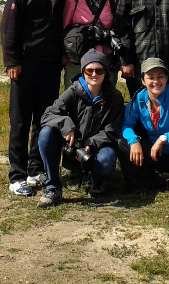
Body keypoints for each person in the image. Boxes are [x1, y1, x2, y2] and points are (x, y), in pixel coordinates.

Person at [0, 0, 69, 197]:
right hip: (25, 64)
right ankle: (17, 176)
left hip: (50, 65)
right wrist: (12, 61)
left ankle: (35, 168)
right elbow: (9, 26)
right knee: (20, 121)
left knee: (43, 120)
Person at [36, 50, 125, 208]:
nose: (94, 74)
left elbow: (112, 130)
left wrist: (90, 144)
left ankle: (97, 181)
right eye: (89, 70)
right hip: (71, 146)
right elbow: (48, 115)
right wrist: (67, 126)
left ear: (106, 72)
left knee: (107, 158)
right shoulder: (72, 91)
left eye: (99, 70)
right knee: (46, 133)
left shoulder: (115, 97)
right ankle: (53, 187)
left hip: (96, 148)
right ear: (83, 72)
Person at [117, 57, 169, 201]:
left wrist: (164, 138)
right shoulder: (138, 99)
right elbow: (126, 125)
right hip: (154, 154)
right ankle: (144, 181)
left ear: (167, 78)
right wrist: (134, 141)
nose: (156, 81)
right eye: (150, 77)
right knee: (122, 142)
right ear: (143, 81)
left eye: (160, 76)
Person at [61, 0, 120, 85]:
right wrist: (65, 59)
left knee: (105, 102)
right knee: (75, 101)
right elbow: (65, 27)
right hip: (77, 60)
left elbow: (120, 28)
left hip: (106, 61)